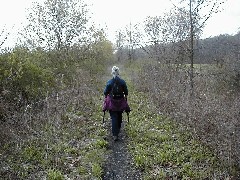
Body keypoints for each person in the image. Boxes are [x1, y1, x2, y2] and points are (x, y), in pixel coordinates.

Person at [103, 66, 129, 141]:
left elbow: (105, 92)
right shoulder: (122, 82)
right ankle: (118, 129)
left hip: (112, 102)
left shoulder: (110, 82)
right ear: (118, 72)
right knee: (120, 115)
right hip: (120, 101)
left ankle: (115, 135)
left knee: (113, 117)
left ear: (112, 73)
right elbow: (126, 92)